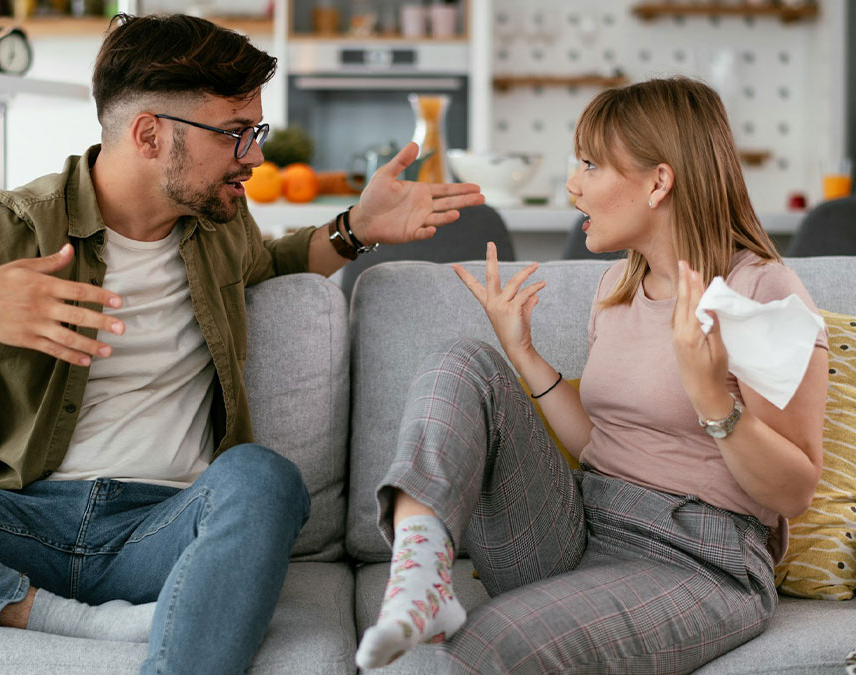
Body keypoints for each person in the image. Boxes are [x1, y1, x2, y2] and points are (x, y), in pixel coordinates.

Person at [0, 13, 482, 675]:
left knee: (264, 478)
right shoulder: (12, 229)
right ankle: (49, 615)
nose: (252, 156)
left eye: (255, 132)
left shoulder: (220, 223)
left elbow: (276, 262)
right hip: (18, 518)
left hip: (161, 530)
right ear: (149, 135)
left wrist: (356, 225)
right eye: (235, 132)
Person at [355, 76, 829, 673]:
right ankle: (420, 578)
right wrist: (523, 354)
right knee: (464, 359)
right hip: (577, 522)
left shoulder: (762, 294)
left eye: (589, 164)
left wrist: (711, 396)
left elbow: (794, 492)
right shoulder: (617, 288)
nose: (571, 185)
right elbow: (601, 446)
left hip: (701, 559)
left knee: (490, 645)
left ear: (659, 181)